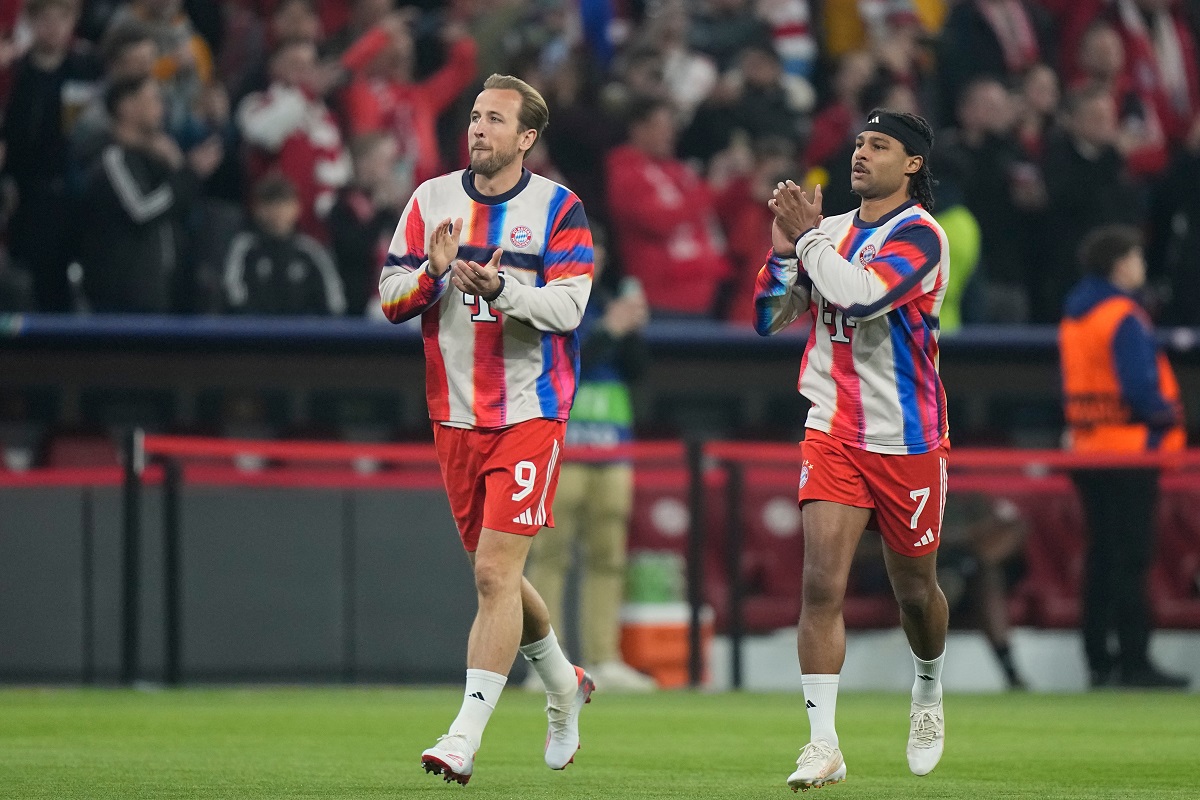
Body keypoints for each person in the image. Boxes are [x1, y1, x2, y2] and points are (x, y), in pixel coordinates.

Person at [378, 73, 596, 785]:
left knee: (495, 572)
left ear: (526, 138)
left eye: (495, 120)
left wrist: (503, 289)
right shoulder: (430, 199)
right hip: (455, 416)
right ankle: (564, 685)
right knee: (497, 576)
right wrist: (435, 276)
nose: (478, 129)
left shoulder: (559, 209)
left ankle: (463, 735)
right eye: (474, 117)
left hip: (530, 412)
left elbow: (569, 308)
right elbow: (390, 298)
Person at [756, 108, 951, 790]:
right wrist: (784, 253)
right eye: (859, 143)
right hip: (833, 426)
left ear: (913, 164)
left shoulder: (922, 236)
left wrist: (806, 243)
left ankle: (927, 688)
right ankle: (822, 743)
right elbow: (768, 318)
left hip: (907, 439)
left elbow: (862, 297)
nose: (861, 154)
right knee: (819, 583)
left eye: (881, 145)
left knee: (916, 591)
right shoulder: (829, 231)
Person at [523, 227, 656, 693]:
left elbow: (638, 371)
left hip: (613, 446)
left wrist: (631, 331)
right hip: (563, 447)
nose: (592, 256)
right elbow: (562, 363)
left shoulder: (611, 303)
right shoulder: (550, 299)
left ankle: (605, 656)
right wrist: (608, 331)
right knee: (549, 556)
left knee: (608, 556)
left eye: (598, 248)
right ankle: (547, 664)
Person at [1059, 224, 1189, 690]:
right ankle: (1135, 660)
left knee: (1101, 557)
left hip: (1088, 449)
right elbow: (1140, 390)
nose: (1141, 265)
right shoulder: (1123, 315)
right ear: (1119, 264)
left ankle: (1099, 660)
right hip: (1131, 453)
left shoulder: (1076, 315)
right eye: (1136, 257)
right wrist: (1168, 415)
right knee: (1133, 557)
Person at [222, 174, 346, 316]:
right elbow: (233, 294)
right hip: (254, 334)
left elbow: (334, 301)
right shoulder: (244, 247)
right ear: (257, 209)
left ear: (297, 208)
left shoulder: (311, 251)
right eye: (270, 204)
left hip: (305, 336)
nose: (278, 211)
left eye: (284, 203)